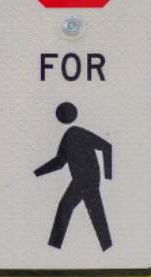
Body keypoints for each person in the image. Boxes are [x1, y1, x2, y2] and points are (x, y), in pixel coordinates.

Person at [33, 102, 113, 251]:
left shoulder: (76, 132)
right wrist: (37, 173)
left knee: (69, 207)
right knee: (92, 212)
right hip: (81, 179)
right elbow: (59, 162)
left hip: (87, 179)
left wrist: (109, 176)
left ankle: (54, 247)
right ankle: (107, 247)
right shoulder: (68, 136)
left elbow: (107, 146)